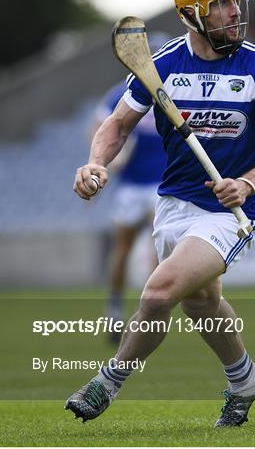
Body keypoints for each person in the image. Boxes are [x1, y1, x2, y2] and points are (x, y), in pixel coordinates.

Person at [66, 0, 255, 427]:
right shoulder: (164, 66)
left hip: (228, 212)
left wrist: (248, 183)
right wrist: (96, 163)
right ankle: (245, 377)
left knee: (159, 292)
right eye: (221, 4)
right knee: (200, 303)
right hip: (173, 205)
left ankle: (107, 382)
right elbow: (116, 125)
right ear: (194, 15)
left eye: (236, 1)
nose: (235, 12)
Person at [92, 82, 166, 338]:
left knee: (157, 248)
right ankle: (114, 308)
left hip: (162, 183)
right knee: (122, 248)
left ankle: (148, 313)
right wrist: (105, 160)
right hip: (130, 186)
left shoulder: (174, 88)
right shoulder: (122, 92)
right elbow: (99, 126)